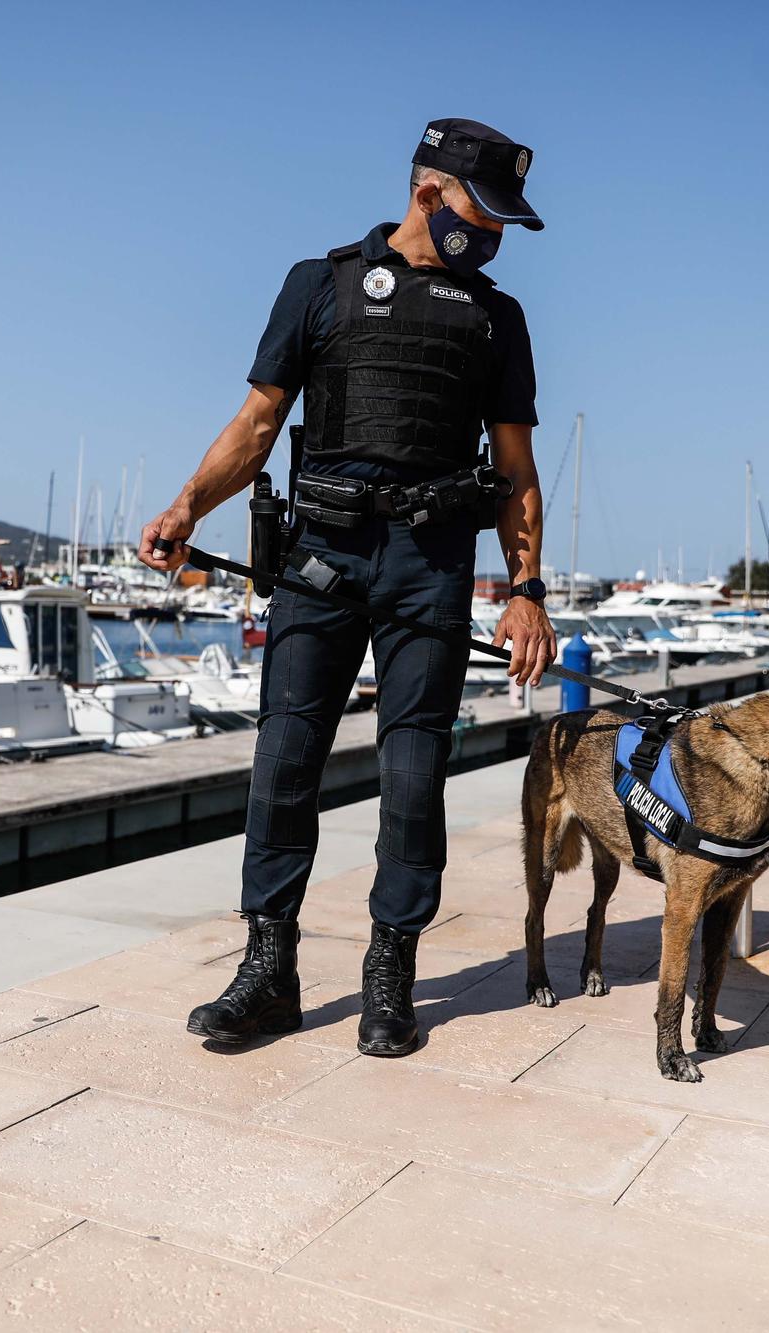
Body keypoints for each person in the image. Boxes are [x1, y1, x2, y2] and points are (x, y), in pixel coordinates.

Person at [139, 119, 554, 1056]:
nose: (491, 237)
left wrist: (526, 586)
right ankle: (269, 970)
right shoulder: (318, 284)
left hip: (431, 561)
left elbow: (516, 469)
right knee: (285, 762)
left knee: (412, 774)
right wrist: (186, 508)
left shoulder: (498, 319)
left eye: (503, 226)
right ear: (427, 195)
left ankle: (390, 973)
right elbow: (256, 425)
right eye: (482, 216)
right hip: (320, 553)